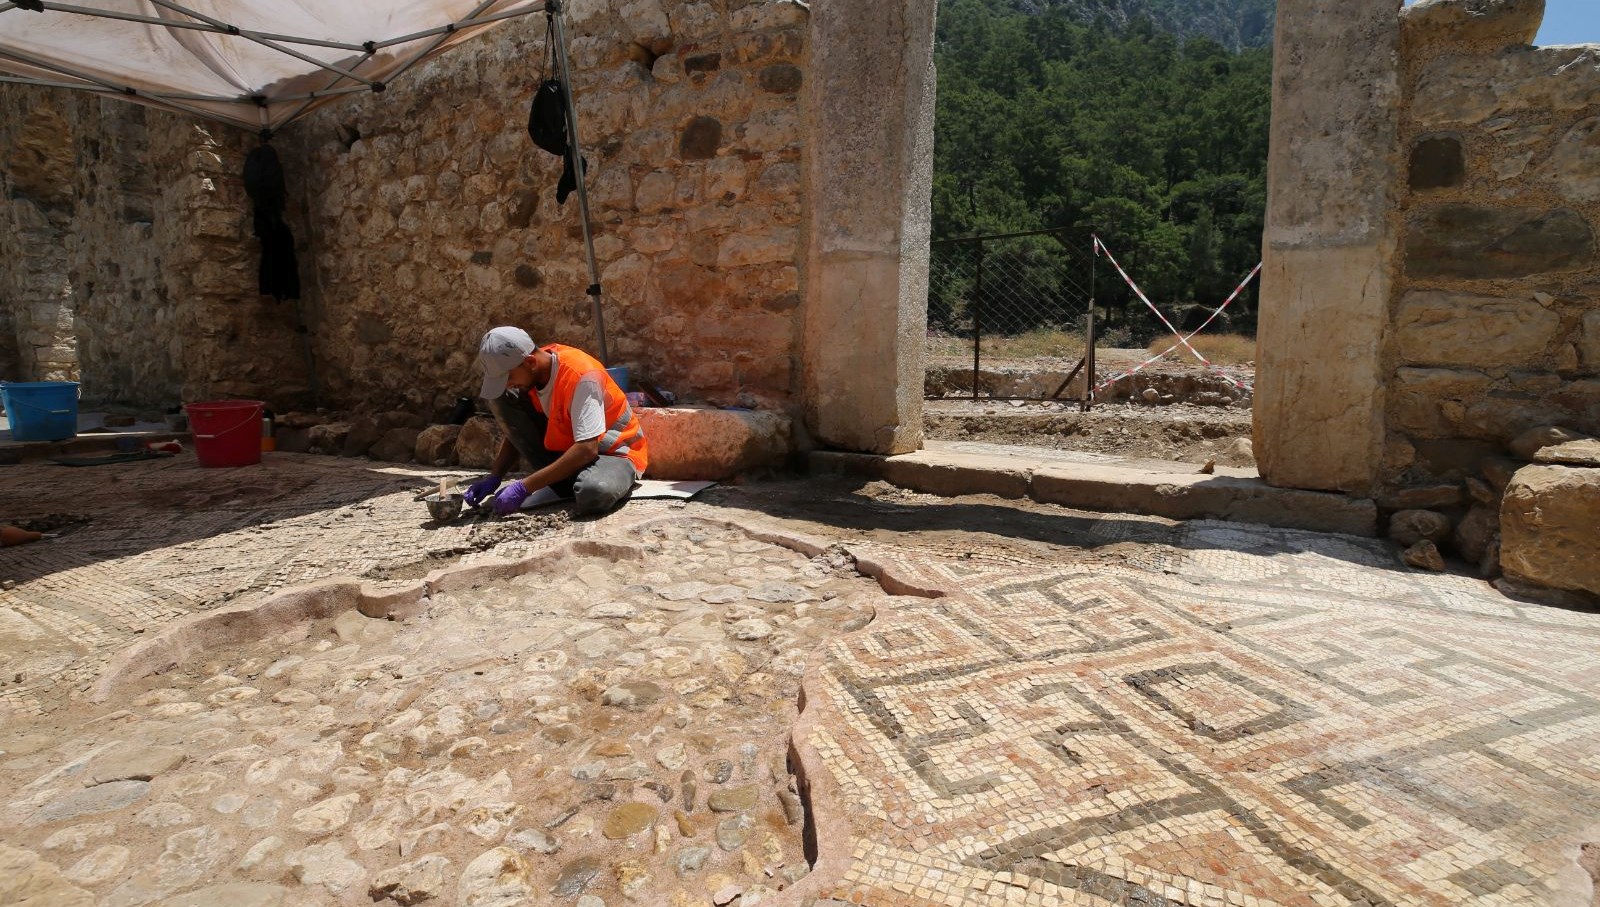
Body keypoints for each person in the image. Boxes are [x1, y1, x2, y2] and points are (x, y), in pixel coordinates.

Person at [463, 326, 647, 516]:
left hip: (612, 453)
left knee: (594, 493)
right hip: (571, 451)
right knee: (502, 397)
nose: (508, 383)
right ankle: (563, 483)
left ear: (530, 362)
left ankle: (576, 482)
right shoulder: (533, 373)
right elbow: (519, 430)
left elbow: (587, 449)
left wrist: (525, 487)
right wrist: (495, 476)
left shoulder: (581, 376)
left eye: (508, 377)